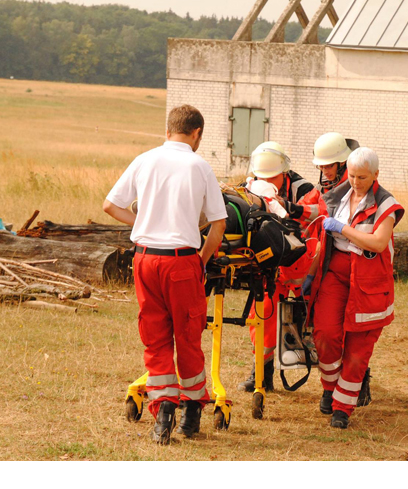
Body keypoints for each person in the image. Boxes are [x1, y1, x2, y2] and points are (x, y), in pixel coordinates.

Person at [103, 104, 227, 445]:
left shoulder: (144, 159)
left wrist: (143, 224)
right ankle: (191, 412)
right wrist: (200, 262)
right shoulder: (199, 166)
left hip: (144, 260)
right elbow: (218, 224)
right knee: (188, 335)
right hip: (180, 261)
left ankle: (163, 414)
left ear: (168, 129)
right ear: (197, 133)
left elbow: (110, 205)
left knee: (155, 337)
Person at [306, 147, 404, 429]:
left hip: (369, 280)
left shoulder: (386, 205)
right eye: (351, 176)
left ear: (375, 175)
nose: (356, 182)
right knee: (324, 334)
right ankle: (330, 387)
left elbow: (377, 242)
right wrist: (312, 275)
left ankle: (342, 408)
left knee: (358, 351)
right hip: (335, 271)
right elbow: (324, 241)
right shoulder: (337, 198)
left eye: (362, 177)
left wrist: (342, 229)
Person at [237, 141, 315, 392]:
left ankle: (345, 380)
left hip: (303, 265)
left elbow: (316, 219)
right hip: (269, 262)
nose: (267, 181)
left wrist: (291, 212)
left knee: (324, 322)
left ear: (284, 174)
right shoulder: (249, 188)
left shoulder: (305, 190)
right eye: (263, 177)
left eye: (272, 177)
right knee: (261, 315)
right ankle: (261, 373)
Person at [297, 132, 359, 226]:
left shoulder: (353, 186)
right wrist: (289, 210)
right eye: (321, 167)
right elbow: (308, 201)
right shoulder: (326, 184)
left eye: (329, 166)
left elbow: (326, 210)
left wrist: (298, 210)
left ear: (342, 162)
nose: (325, 172)